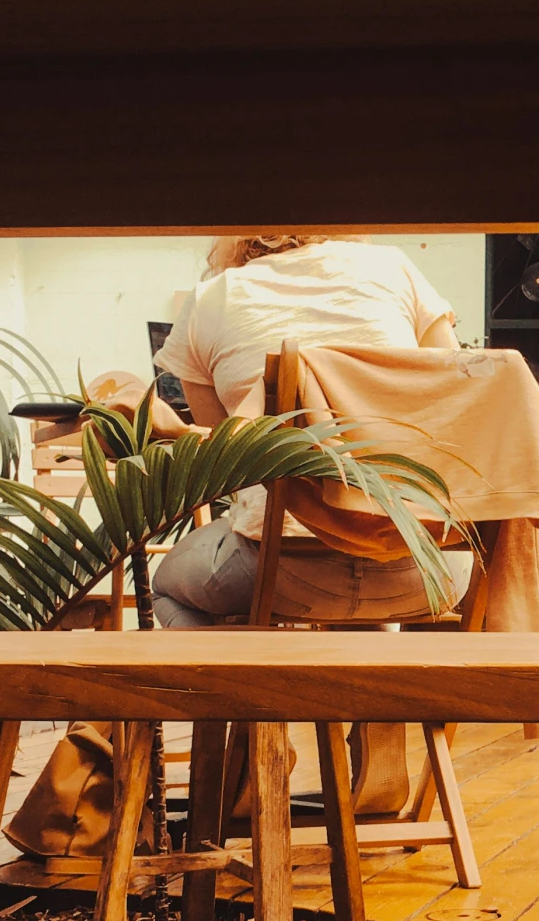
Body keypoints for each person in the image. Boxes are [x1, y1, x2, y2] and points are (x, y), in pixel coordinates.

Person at [149, 234, 472, 627]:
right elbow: (457, 386)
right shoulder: (395, 268)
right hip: (426, 570)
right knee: (380, 545)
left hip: (279, 572)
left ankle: (237, 686)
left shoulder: (211, 297)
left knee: (166, 587)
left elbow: (226, 463)